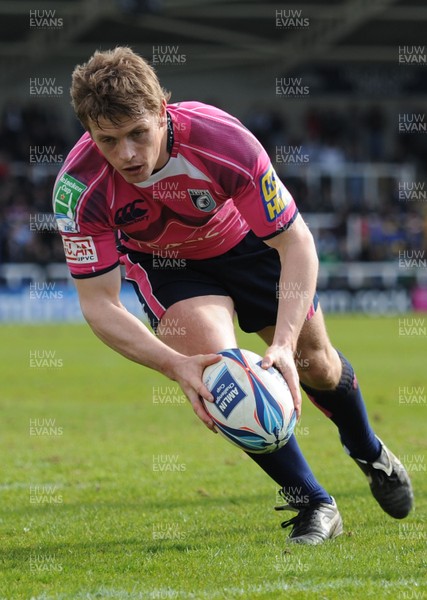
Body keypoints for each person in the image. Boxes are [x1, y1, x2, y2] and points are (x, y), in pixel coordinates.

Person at [53, 47, 413, 545]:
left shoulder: (221, 139)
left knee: (316, 364)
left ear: (162, 110)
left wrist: (284, 343)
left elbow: (296, 241)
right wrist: (172, 365)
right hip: (171, 268)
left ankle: (368, 450)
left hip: (248, 244)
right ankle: (314, 503)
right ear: (89, 132)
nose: (128, 154)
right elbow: (98, 302)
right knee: (221, 374)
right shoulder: (79, 187)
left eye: (138, 133)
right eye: (108, 140)